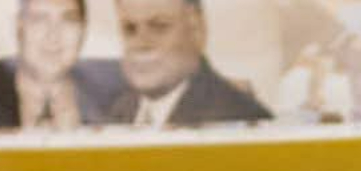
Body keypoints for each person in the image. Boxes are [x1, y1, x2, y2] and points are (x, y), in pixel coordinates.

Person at [0, 0, 122, 130]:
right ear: (19, 27)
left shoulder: (118, 91)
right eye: (39, 20)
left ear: (84, 30)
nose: (53, 36)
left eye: (68, 20)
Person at [108, 0, 273, 128]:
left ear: (196, 29)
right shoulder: (119, 110)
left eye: (159, 27)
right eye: (130, 29)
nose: (141, 44)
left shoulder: (240, 117)